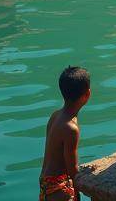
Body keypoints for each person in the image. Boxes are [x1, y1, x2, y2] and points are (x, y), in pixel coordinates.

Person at [39, 66, 90, 201]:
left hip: (46, 186)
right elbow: (72, 168)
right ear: (87, 94)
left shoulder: (55, 116)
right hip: (59, 189)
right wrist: (77, 194)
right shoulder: (71, 129)